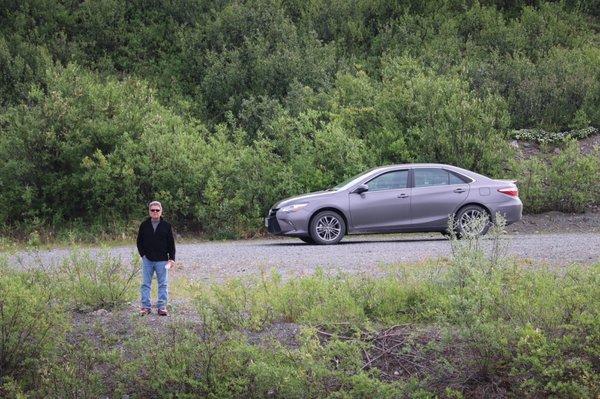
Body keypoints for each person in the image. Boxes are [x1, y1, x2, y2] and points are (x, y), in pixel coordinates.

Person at [136, 201, 176, 316]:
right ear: (149, 211)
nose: (155, 212)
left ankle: (162, 307)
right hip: (147, 260)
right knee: (145, 284)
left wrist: (172, 258)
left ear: (161, 211)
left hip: (162, 260)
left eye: (157, 210)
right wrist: (143, 255)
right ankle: (145, 307)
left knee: (163, 284)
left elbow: (171, 244)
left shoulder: (166, 226)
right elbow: (139, 242)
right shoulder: (144, 225)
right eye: (152, 210)